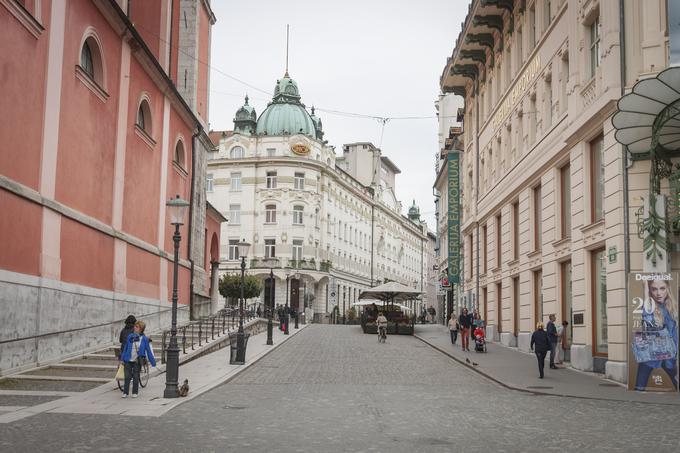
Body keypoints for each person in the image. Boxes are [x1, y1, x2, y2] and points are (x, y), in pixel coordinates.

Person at [634, 279, 678, 391]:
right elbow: (648, 323)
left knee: (677, 385)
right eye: (654, 289)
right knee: (639, 388)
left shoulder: (672, 307)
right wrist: (645, 291)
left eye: (662, 288)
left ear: (668, 288)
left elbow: (674, 333)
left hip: (670, 354)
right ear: (650, 291)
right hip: (650, 353)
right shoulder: (651, 306)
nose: (658, 293)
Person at [120, 320, 156, 398]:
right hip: (128, 359)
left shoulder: (144, 339)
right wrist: (122, 358)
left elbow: (148, 351)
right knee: (127, 376)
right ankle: (125, 392)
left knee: (136, 376)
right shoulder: (130, 336)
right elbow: (125, 348)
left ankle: (135, 392)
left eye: (136, 327)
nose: (134, 328)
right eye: (135, 326)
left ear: (141, 329)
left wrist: (153, 362)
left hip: (137, 360)